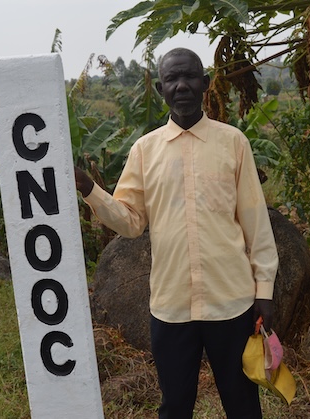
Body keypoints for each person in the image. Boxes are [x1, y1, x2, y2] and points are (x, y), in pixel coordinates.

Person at [74, 48, 279, 419]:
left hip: (231, 303)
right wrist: (89, 188)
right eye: (172, 79)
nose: (181, 85)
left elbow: (255, 224)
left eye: (189, 77)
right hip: (171, 307)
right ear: (160, 88)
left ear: (205, 83)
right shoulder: (144, 150)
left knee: (243, 404)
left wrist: (264, 291)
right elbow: (131, 222)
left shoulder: (233, 143)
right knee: (175, 407)